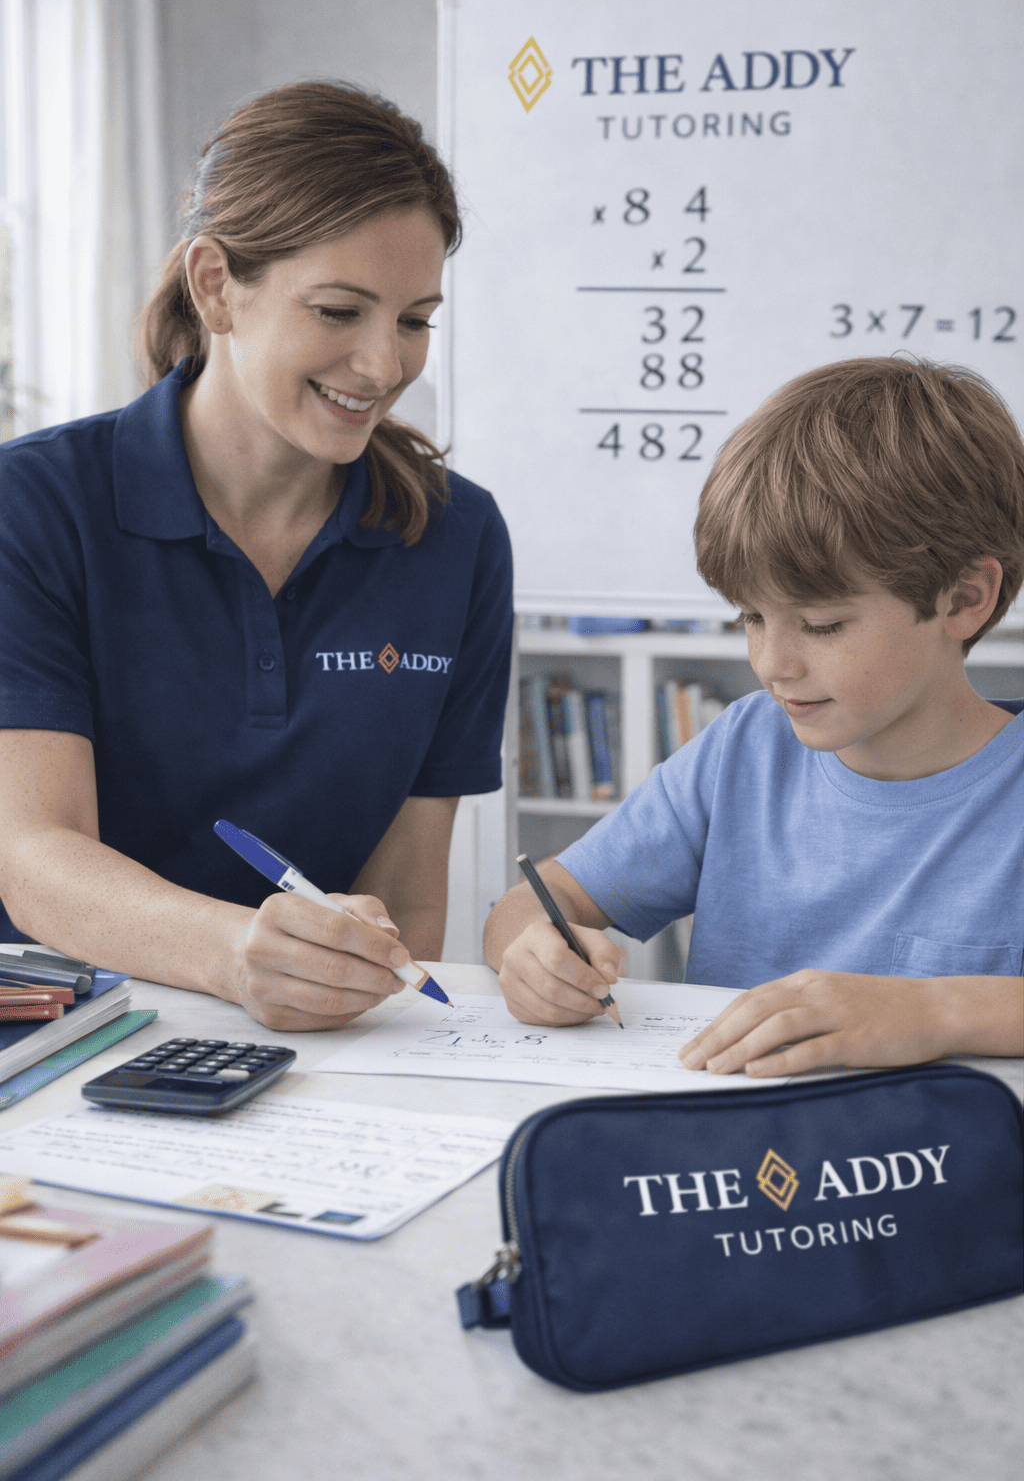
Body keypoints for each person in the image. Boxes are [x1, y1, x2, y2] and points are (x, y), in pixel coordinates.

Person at [0, 81, 513, 1031]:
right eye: (337, 311)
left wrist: (348, 993)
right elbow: (35, 854)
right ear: (214, 285)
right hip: (55, 1032)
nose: (383, 367)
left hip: (314, 1043)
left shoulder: (460, 539)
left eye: (413, 319)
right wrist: (239, 956)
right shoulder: (30, 506)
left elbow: (407, 893)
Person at [484, 357, 1023, 1074]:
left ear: (963, 600)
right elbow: (530, 906)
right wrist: (535, 953)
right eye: (751, 618)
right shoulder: (743, 749)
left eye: (823, 625)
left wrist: (931, 1011)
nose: (772, 664)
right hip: (730, 1159)